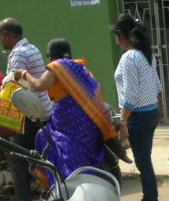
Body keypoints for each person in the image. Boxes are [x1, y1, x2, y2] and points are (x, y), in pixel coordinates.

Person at [13, 37, 116, 192]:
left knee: (44, 136)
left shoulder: (57, 66)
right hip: (89, 125)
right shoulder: (81, 68)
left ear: (50, 57)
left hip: (70, 124)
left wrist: (24, 74)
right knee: (83, 156)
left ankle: (59, 187)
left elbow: (39, 85)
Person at [0, 18, 50, 201]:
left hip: (30, 114)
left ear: (8, 34)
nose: (1, 41)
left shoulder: (18, 53)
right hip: (39, 110)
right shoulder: (30, 47)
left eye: (1, 36)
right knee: (34, 159)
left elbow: (12, 87)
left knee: (17, 160)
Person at [111, 13, 164, 201]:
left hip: (138, 116)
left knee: (144, 164)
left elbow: (130, 95)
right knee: (145, 162)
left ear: (122, 35)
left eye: (116, 35)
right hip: (151, 112)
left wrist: (123, 121)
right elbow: (157, 87)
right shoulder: (146, 55)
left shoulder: (129, 57)